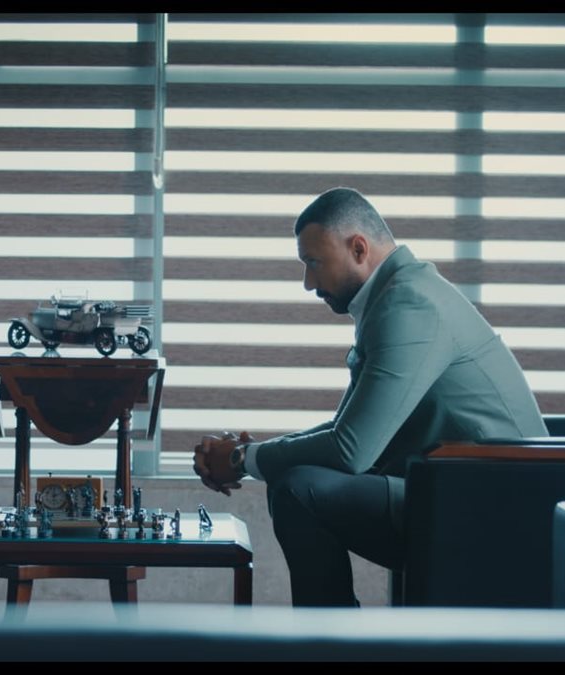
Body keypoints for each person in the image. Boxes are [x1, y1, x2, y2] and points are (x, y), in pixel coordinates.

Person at [192, 187, 546, 606]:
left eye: (313, 263)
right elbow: (348, 430)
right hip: (458, 490)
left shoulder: (410, 305)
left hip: (495, 507)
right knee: (296, 480)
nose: (308, 283)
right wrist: (251, 454)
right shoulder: (395, 296)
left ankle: (332, 639)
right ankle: (331, 634)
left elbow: (349, 450)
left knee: (298, 490)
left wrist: (241, 459)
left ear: (358, 248)